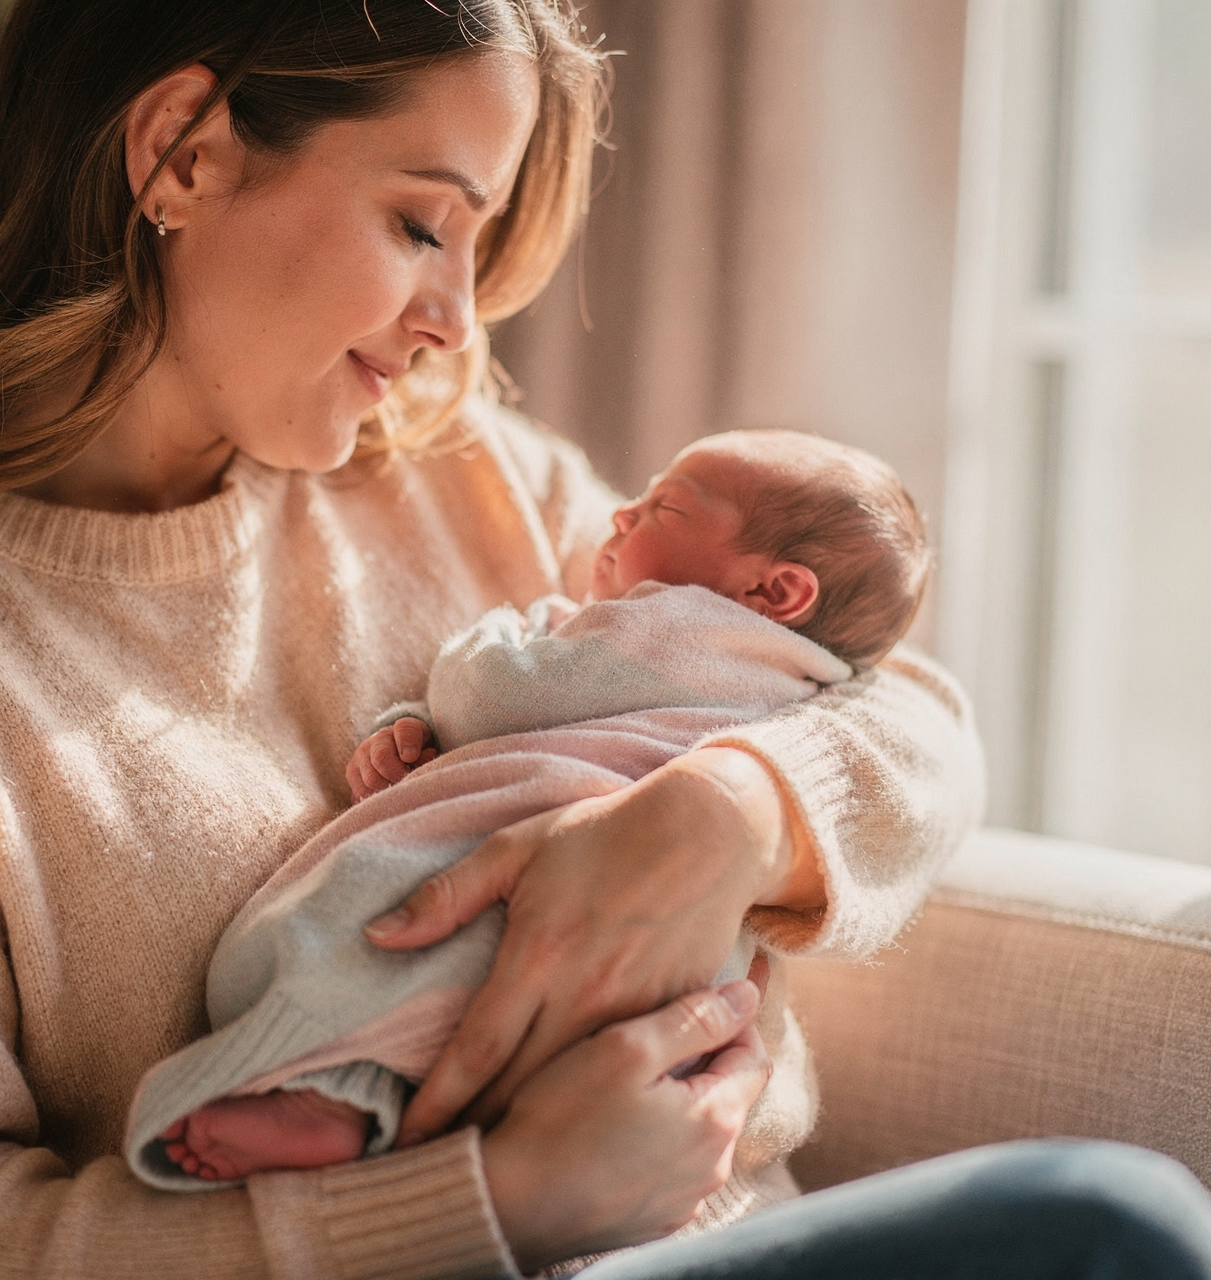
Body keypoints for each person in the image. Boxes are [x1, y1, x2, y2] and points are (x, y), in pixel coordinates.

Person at [0, 1, 1211, 1276]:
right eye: (426, 225)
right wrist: (502, 1195)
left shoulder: (447, 469)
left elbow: (898, 707)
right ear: (180, 149)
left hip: (741, 1231)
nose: (456, 321)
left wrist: (732, 813)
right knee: (1104, 1234)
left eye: (477, 247)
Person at [133, 428, 930, 1185]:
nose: (622, 513)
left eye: (666, 508)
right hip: (676, 1020)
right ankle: (356, 1107)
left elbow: (496, 698)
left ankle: (336, 1090)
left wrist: (502, 636)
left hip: (579, 915)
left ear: (773, 590)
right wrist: (415, 732)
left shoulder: (675, 627)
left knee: (412, 936)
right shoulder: (804, 679)